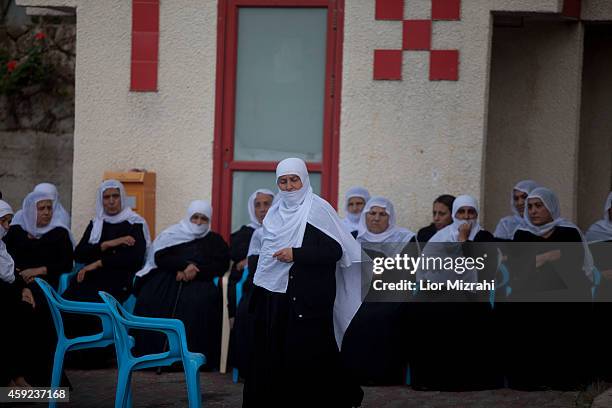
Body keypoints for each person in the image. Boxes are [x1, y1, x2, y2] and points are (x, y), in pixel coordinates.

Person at [242, 158, 363, 408]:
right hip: (275, 295)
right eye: (283, 181)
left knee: (308, 357)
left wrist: (297, 254)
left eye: (293, 180)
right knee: (274, 356)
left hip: (308, 300)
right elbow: (266, 255)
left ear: (304, 179)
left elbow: (335, 251)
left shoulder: (318, 209)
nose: (288, 186)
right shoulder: (275, 214)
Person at [505, 187, 593, 389]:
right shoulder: (522, 234)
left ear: (551, 207)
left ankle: (567, 379)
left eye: (538, 206)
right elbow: (520, 267)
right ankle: (530, 378)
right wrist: (550, 255)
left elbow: (575, 263)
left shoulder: (569, 232)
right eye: (530, 207)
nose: (533, 211)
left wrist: (541, 260)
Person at [412, 195, 501, 391]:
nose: (466, 217)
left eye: (471, 212)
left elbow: (481, 268)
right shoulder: (441, 236)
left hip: (474, 296)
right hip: (439, 292)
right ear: (454, 214)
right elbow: (427, 268)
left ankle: (461, 380)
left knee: (456, 311)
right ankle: (429, 378)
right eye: (461, 212)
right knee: (419, 311)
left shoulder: (484, 237)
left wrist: (463, 240)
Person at [133, 200, 230, 369]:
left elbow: (221, 264)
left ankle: (190, 358)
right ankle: (152, 356)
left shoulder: (214, 240)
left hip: (200, 281)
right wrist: (182, 266)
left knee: (199, 305)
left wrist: (195, 270)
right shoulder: (173, 234)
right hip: (170, 278)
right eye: (195, 218)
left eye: (203, 219)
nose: (199, 222)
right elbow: (160, 257)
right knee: (151, 300)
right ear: (188, 217)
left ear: (209, 220)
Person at [341, 196, 416, 385]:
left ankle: (386, 376)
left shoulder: (405, 238)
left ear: (390, 218)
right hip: (359, 295)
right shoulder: (353, 237)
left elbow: (409, 272)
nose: (376, 218)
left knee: (384, 317)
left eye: (382, 214)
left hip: (392, 295)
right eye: (372, 213)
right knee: (353, 315)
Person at [4, 191, 74, 386]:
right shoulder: (15, 231)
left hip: (43, 284)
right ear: (29, 210)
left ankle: (40, 380)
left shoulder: (59, 233)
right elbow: (6, 260)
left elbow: (66, 263)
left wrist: (39, 270)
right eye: (41, 208)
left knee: (37, 311)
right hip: (16, 283)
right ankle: (15, 377)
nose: (46, 212)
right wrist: (20, 275)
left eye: (49, 208)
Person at [63, 179, 149, 305]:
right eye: (106, 197)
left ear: (122, 198)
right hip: (90, 275)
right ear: (101, 201)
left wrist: (99, 263)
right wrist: (108, 244)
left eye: (115, 196)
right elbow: (80, 254)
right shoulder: (96, 223)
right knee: (68, 303)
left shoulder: (134, 223)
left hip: (119, 279)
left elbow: (134, 259)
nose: (111, 201)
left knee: (95, 304)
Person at [229, 189, 275, 377]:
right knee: (248, 310)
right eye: (258, 205)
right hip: (253, 283)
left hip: (278, 282)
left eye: (267, 204)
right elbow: (237, 254)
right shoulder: (247, 232)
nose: (263, 209)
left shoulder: (286, 227)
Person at [0, 200, 30, 387]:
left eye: (8, 222)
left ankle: (18, 378)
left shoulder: (2, 248)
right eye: (2, 221)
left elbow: (11, 274)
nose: (6, 227)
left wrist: (24, 288)